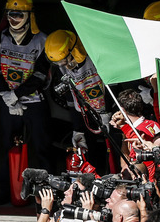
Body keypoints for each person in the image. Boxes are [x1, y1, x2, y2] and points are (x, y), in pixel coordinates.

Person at [0, 0, 52, 205]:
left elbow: (40, 75)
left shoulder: (42, 40)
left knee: (42, 147)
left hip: (35, 103)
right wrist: (6, 97)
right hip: (9, 103)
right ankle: (7, 191)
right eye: (10, 14)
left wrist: (16, 95)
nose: (13, 19)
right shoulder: (1, 36)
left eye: (18, 15)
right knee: (9, 147)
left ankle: (47, 194)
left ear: (29, 16)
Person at [44, 30, 111, 171]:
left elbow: (113, 85)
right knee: (91, 155)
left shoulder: (94, 56)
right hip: (86, 115)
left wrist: (109, 112)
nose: (62, 65)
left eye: (64, 60)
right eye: (58, 63)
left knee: (114, 154)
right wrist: (77, 130)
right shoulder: (62, 68)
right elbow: (71, 98)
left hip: (110, 113)